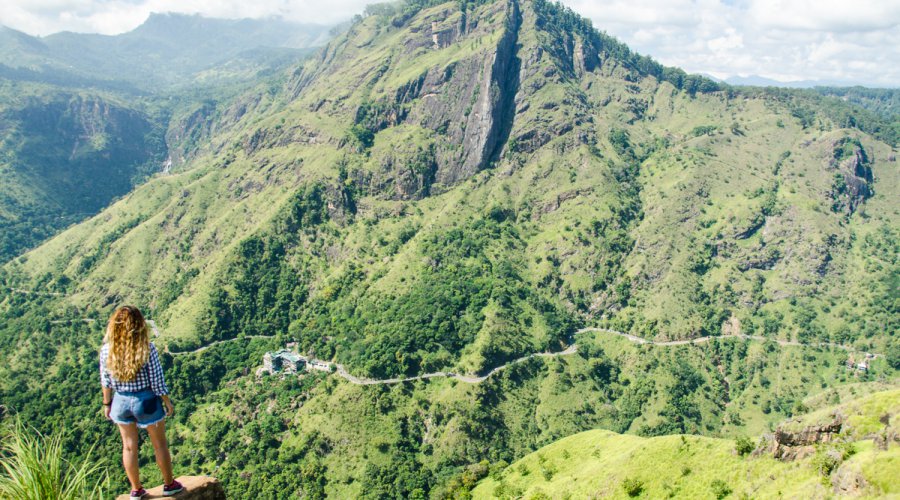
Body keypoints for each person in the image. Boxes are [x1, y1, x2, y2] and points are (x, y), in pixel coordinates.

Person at [100, 305, 183, 499]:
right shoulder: (146, 348)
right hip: (146, 401)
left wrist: (107, 404)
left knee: (128, 447)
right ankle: (169, 485)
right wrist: (167, 402)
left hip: (120, 401)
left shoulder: (106, 351)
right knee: (160, 445)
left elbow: (106, 381)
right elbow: (156, 381)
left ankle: (136, 490)